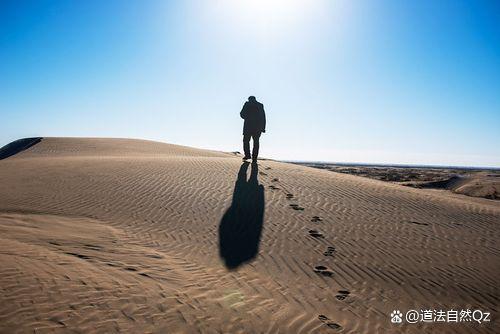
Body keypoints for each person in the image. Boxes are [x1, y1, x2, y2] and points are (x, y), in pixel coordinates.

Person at [240, 96, 266, 163]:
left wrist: (247, 117)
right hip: (257, 128)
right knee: (256, 142)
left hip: (248, 126)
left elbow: (242, 114)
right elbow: (263, 117)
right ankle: (254, 158)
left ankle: (248, 155)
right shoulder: (260, 105)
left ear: (249, 99)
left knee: (246, 141)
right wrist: (263, 128)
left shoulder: (247, 104)